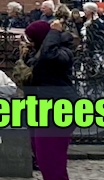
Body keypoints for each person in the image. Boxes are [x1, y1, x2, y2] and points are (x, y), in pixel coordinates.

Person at [20, 19, 75, 180]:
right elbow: (35, 68)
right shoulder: (40, 53)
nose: (29, 42)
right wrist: (25, 53)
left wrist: (54, 32)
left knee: (52, 164)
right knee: (44, 160)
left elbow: (48, 57)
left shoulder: (61, 53)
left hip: (57, 111)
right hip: (41, 111)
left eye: (31, 39)